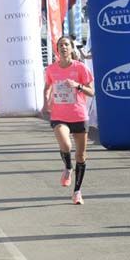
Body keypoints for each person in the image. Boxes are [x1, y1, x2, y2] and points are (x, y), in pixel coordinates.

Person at [43, 36, 94, 205]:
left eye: (66, 44)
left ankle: (77, 192)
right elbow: (48, 86)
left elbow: (92, 92)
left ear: (71, 48)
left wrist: (77, 86)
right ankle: (67, 167)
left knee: (81, 155)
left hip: (79, 115)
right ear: (57, 49)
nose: (63, 47)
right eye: (60, 45)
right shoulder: (51, 69)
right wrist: (46, 102)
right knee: (66, 145)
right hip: (59, 115)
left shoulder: (80, 68)